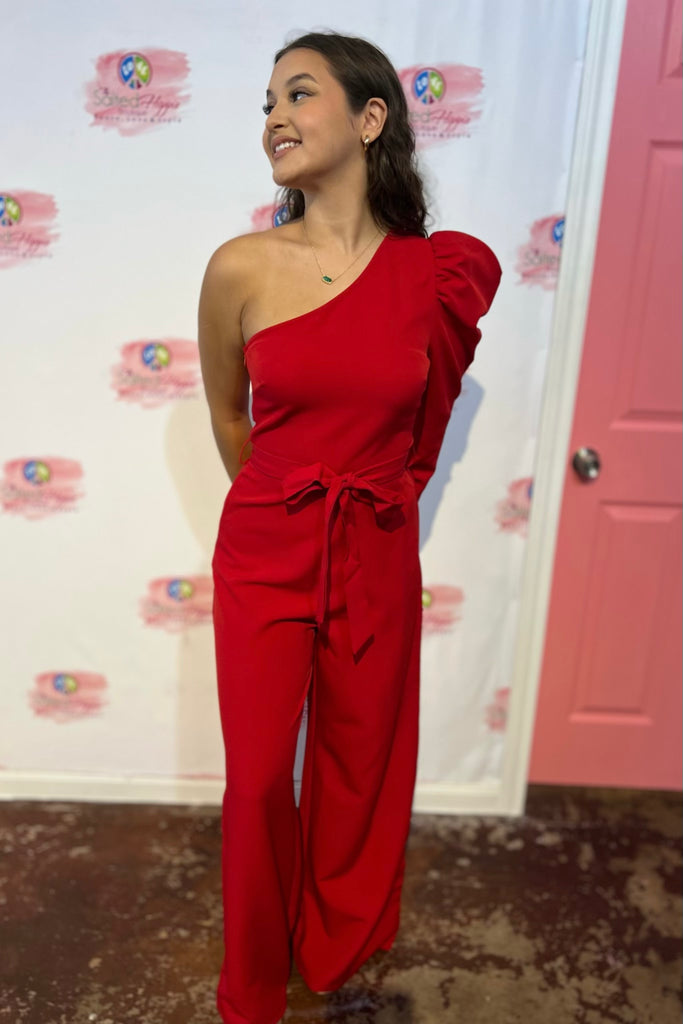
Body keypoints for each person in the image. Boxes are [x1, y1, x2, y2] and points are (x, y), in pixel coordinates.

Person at [197, 29, 502, 1024]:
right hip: (269, 543)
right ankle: (251, 988)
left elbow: (422, 429)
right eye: (266, 104)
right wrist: (280, 506)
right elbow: (229, 419)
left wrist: (374, 508)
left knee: (357, 765)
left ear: (371, 119)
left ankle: (328, 946)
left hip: (371, 544)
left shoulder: (435, 275)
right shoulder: (239, 267)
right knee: (256, 781)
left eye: (298, 94)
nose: (274, 119)